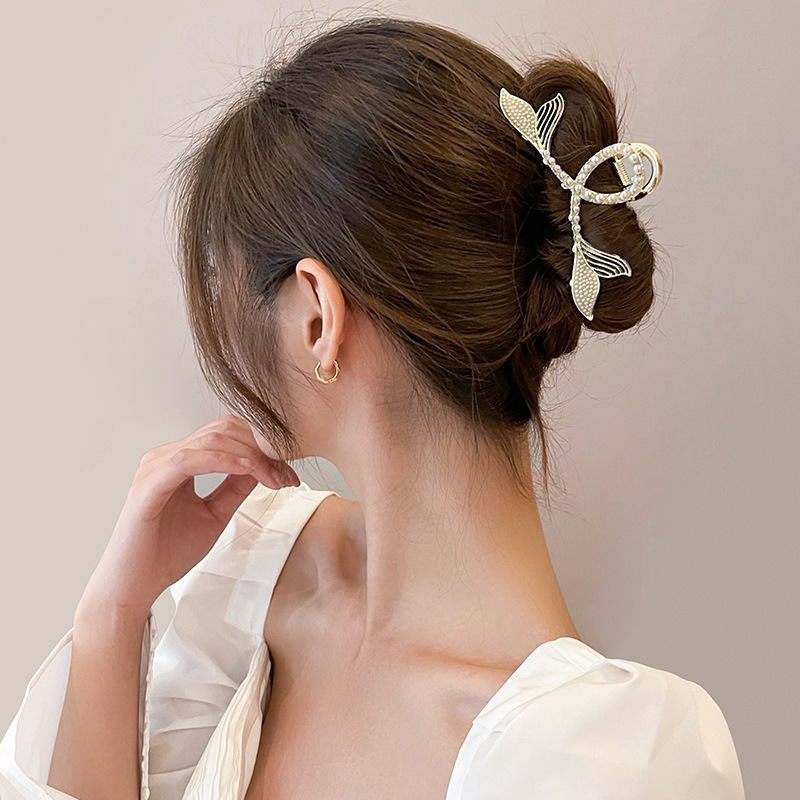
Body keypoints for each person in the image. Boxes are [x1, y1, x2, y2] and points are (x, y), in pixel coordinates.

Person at [0, 14, 746, 800]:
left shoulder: (600, 764)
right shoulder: (247, 574)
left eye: (229, 286)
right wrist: (112, 617)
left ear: (316, 317)